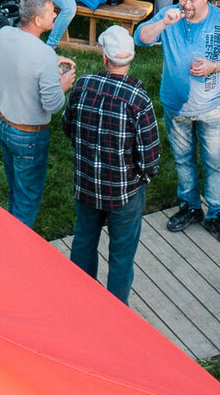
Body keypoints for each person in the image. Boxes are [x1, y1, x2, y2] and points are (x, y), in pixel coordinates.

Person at [136, 0, 220, 245]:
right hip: (176, 106)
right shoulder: (170, 15)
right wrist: (162, 22)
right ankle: (190, 207)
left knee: (214, 161)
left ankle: (217, 214)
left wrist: (215, 66)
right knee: (183, 159)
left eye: (192, 0)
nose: (186, 5)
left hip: (211, 106)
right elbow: (140, 38)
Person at [62, 24, 160, 304]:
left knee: (83, 242)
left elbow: (67, 127)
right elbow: (150, 158)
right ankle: (116, 313)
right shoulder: (138, 101)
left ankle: (80, 302)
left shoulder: (82, 86)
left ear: (104, 58)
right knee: (121, 255)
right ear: (130, 59)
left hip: (87, 186)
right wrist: (140, 179)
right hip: (124, 193)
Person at [0, 0, 75, 227]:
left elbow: (19, 62)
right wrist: (63, 86)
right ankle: (17, 248)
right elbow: (53, 104)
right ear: (38, 20)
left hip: (2, 124)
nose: (56, 16)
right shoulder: (43, 55)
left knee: (15, 188)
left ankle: (9, 227)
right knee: (27, 198)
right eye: (52, 12)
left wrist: (51, 61)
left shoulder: (3, 33)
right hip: (28, 135)